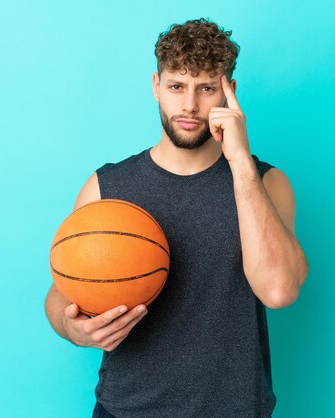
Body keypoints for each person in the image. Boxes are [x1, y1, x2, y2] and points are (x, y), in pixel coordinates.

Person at [44, 18, 309, 418]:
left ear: (229, 93)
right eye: (176, 86)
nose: (189, 105)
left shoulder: (266, 183)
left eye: (206, 88)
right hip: (126, 410)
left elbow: (279, 291)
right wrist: (73, 330)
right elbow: (61, 292)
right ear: (156, 86)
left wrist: (239, 163)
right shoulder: (107, 186)